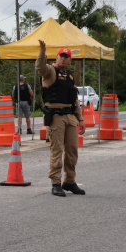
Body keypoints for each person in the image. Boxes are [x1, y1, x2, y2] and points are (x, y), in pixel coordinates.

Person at [36, 41, 86, 197]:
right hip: (56, 115)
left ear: (70, 60)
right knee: (57, 150)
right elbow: (40, 67)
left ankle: (70, 181)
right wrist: (42, 51)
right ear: (56, 57)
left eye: (66, 57)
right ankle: (55, 183)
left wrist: (81, 118)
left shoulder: (69, 76)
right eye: (61, 56)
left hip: (69, 116)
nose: (63, 59)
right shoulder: (50, 71)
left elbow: (74, 99)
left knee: (72, 151)